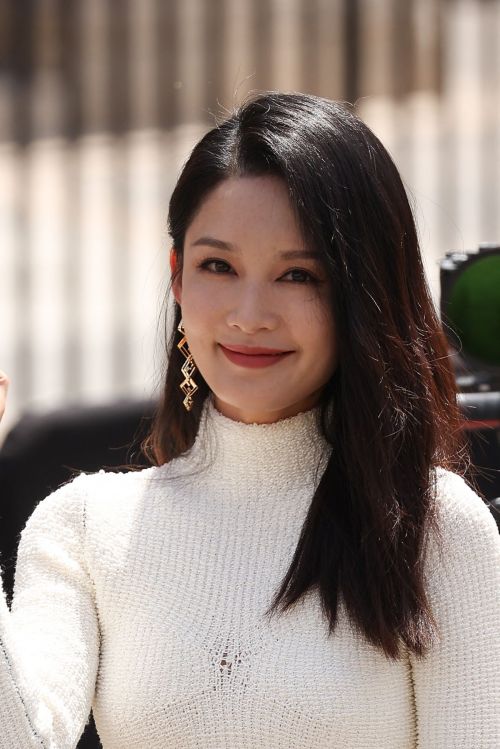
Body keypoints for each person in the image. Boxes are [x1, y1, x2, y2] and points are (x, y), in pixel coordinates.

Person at [0, 92, 499, 748]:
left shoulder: (439, 530)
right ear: (177, 278)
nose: (249, 314)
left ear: (360, 293)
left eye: (297, 274)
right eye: (218, 266)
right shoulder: (81, 529)